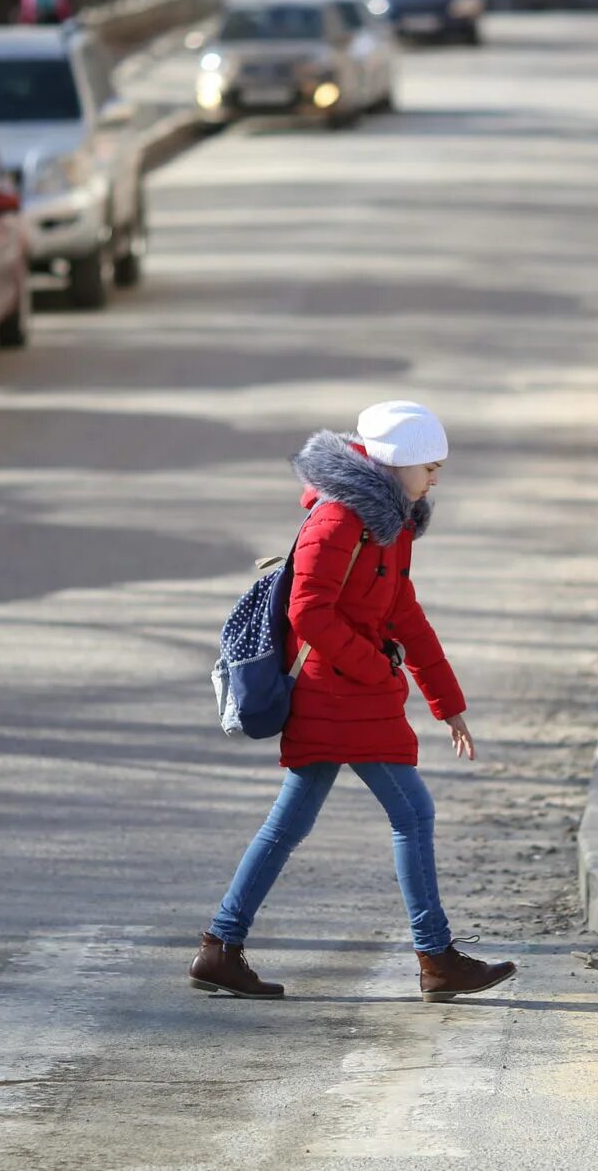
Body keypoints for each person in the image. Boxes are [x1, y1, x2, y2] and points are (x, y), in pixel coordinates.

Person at [190, 401, 517, 1002]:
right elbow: (307, 610)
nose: (436, 478)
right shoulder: (340, 519)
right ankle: (436, 959)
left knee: (289, 822)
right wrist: (375, 670)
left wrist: (448, 702)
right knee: (412, 814)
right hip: (338, 694)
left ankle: (220, 947)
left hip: (349, 693)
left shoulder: (391, 523)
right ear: (396, 463)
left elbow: (404, 615)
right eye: (430, 466)